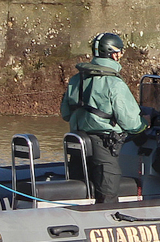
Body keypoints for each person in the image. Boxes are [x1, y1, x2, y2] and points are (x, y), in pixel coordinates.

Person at [60, 33, 149, 203]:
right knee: (108, 191)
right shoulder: (114, 83)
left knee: (79, 191)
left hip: (77, 143)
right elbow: (131, 123)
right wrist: (145, 123)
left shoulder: (76, 79)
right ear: (114, 54)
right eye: (120, 52)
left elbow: (65, 114)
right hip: (104, 145)